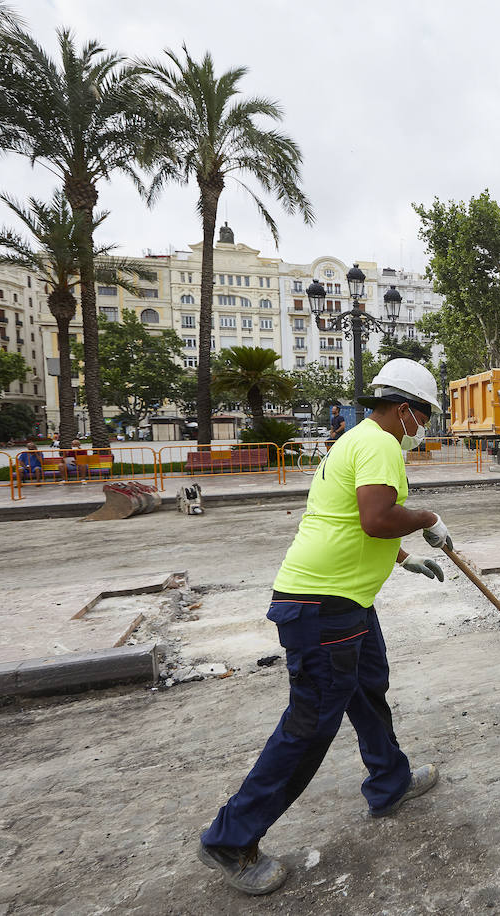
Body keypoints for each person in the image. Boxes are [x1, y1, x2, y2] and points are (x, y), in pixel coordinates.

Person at [196, 358, 450, 897]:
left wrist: (402, 559)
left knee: (367, 690)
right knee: (310, 725)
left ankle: (390, 782)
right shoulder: (379, 442)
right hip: (321, 606)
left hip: (346, 601)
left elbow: (341, 519)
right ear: (404, 409)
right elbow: (375, 517)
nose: (423, 428)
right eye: (423, 416)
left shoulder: (355, 438)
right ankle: (230, 838)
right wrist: (427, 519)